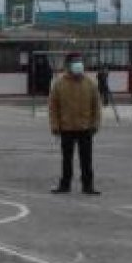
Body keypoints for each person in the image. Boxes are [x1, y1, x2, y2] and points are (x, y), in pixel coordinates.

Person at [49, 52, 102, 195]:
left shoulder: (90, 83)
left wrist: (95, 124)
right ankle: (64, 185)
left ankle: (88, 185)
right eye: (75, 62)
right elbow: (53, 106)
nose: (79, 64)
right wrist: (55, 125)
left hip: (86, 128)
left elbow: (96, 106)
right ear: (68, 65)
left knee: (86, 159)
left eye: (80, 61)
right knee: (66, 159)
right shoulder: (59, 84)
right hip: (66, 128)